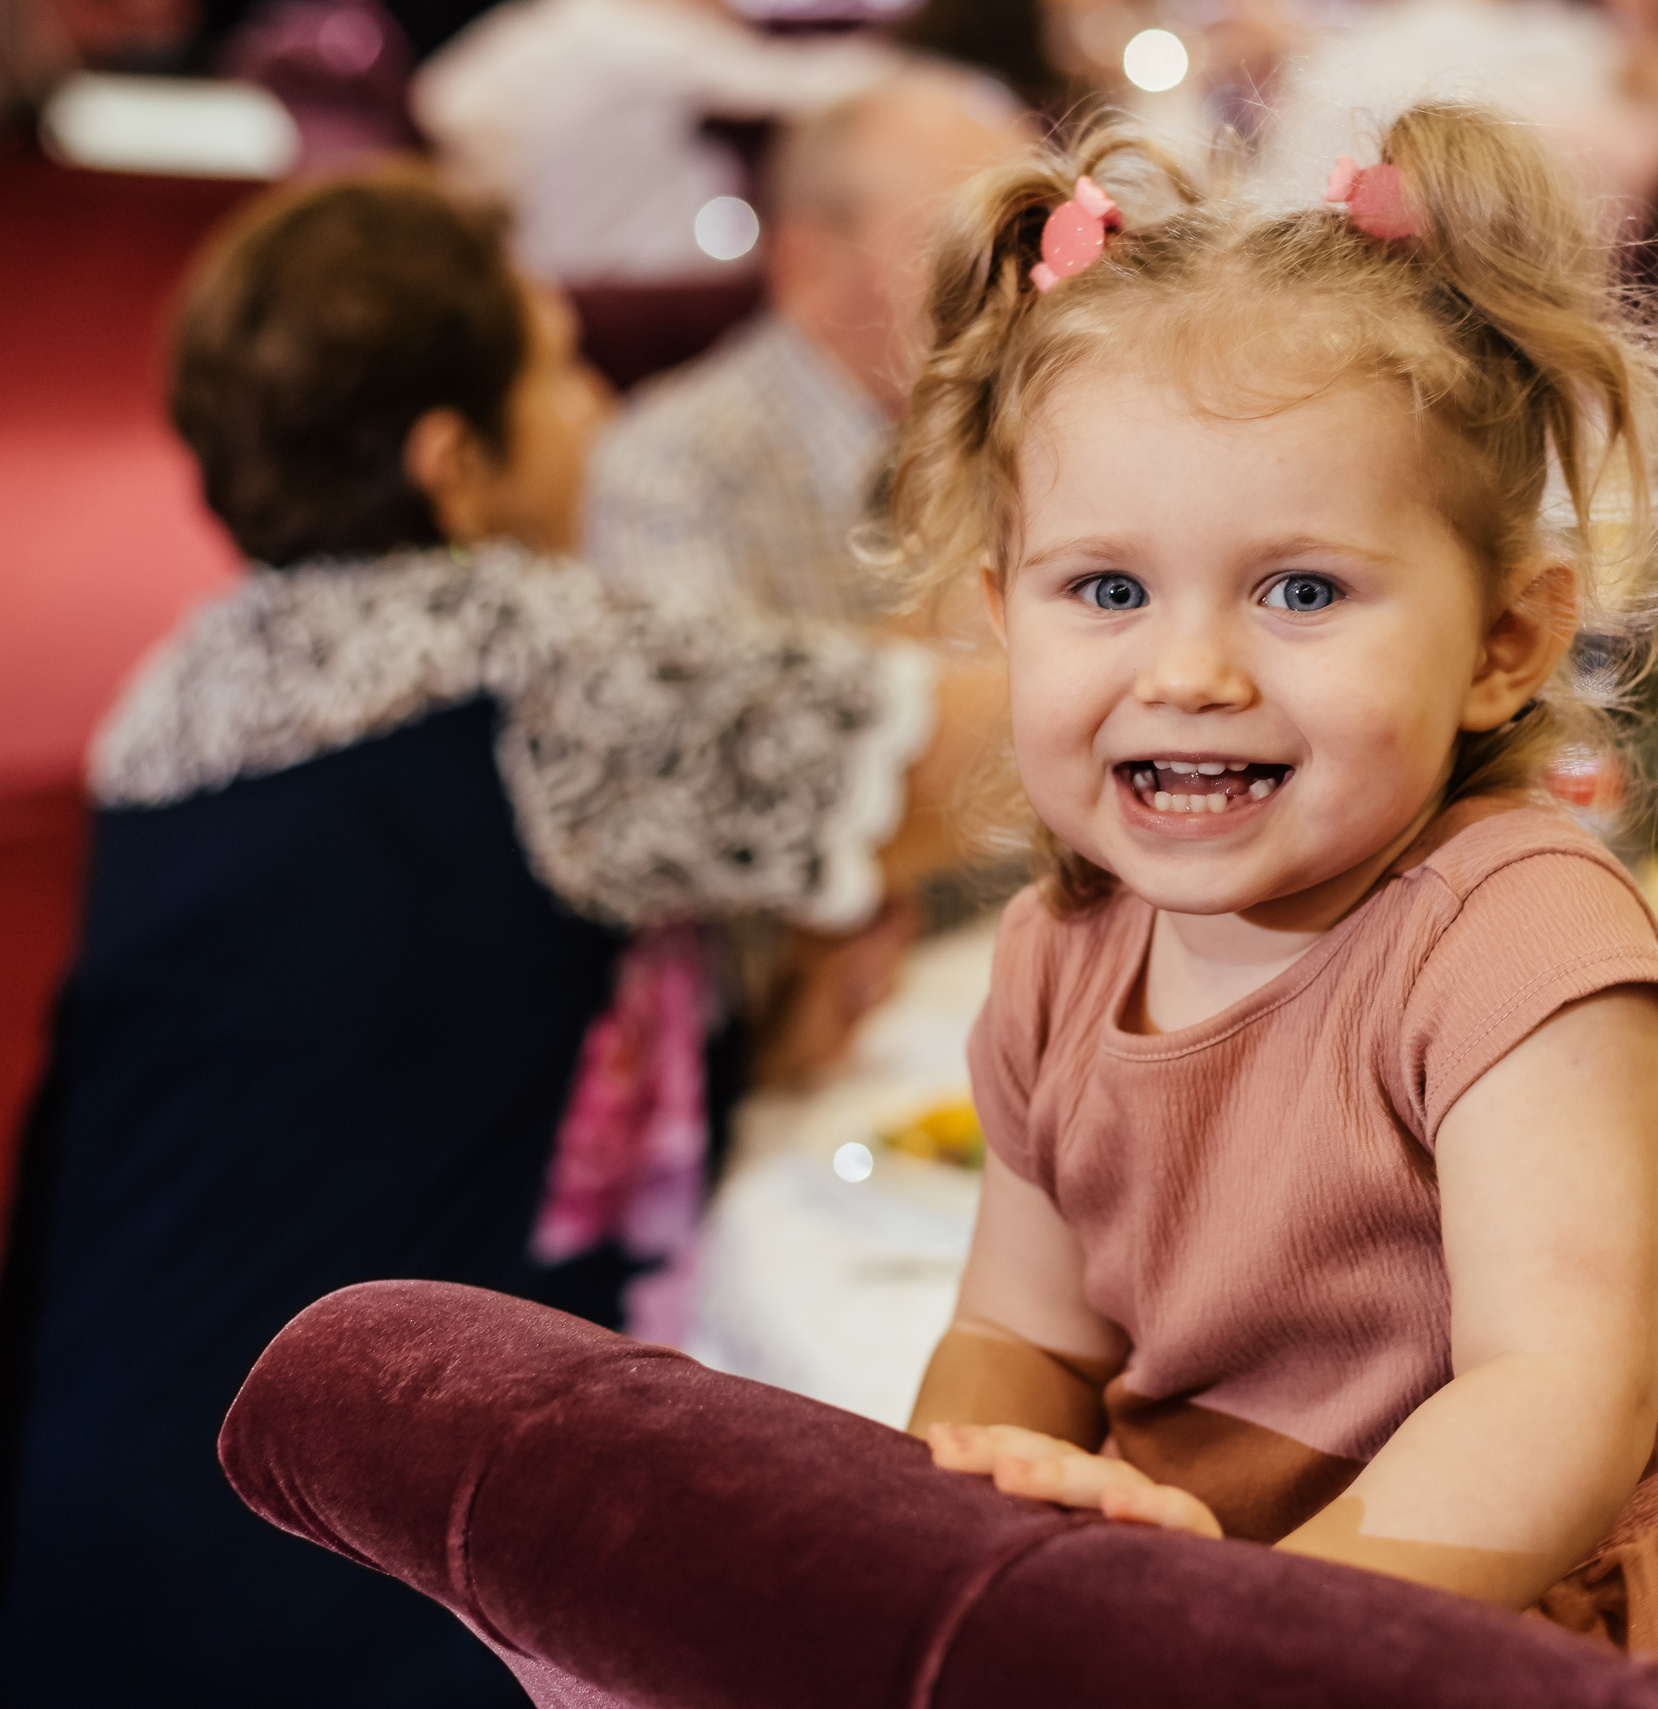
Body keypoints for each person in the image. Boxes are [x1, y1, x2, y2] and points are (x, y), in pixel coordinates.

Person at [889, 103, 1658, 1708]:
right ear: (1000, 617)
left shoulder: (1520, 937)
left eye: (1302, 590)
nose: (1190, 668)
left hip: (1502, 1635)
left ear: (1508, 644)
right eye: (1106, 588)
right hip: (1202, 1601)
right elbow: (1023, 1335)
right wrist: (958, 1549)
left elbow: (1549, 1403)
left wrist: (1242, 1646)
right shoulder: (1055, 951)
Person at [0, 168, 983, 1707]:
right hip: (354, 1553)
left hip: (99, 1493)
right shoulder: (531, 661)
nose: (599, 403)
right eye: (557, 365)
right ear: (452, 460)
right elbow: (994, 752)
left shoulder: (177, 691)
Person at [585, 70, 1029, 624]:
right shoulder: (674, 467)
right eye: (954, 249)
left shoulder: (1036, 423)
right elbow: (717, 707)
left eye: (1027, 239)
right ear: (811, 265)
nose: (1017, 283)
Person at [411, 0, 889, 283]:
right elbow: (812, 84)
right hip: (648, 280)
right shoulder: (638, 42)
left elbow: (442, 101)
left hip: (549, 270)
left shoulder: (523, 37)